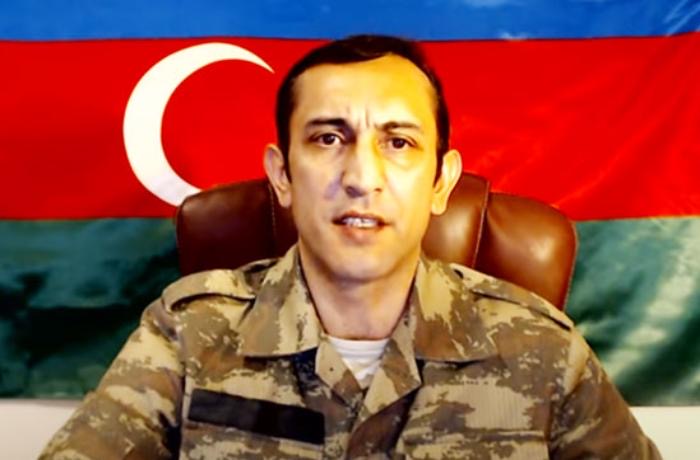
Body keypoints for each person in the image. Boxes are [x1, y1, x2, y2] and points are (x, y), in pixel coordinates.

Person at [41, 35, 659, 459]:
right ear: (283, 176)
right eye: (329, 138)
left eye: (399, 143)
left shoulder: (543, 350)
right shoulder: (189, 334)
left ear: (441, 183)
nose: (362, 176)